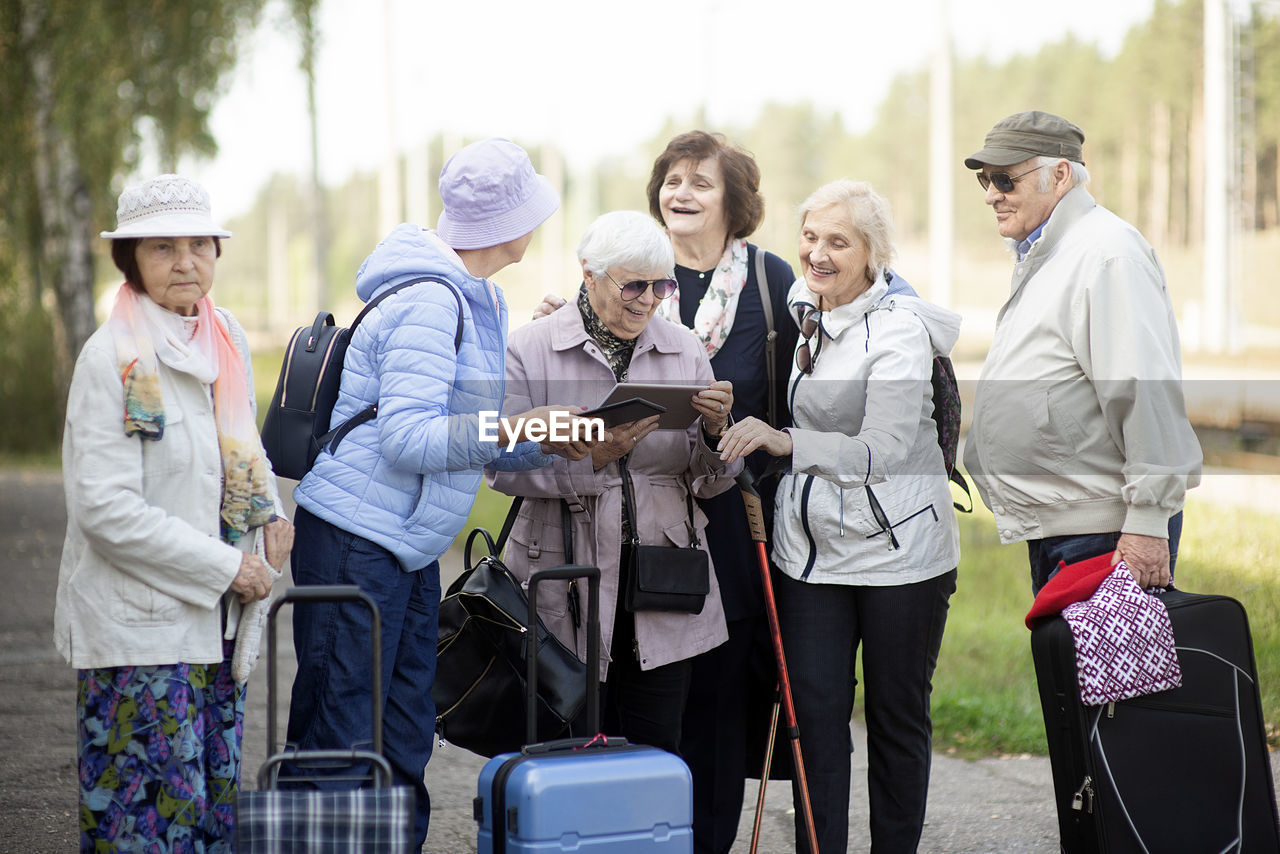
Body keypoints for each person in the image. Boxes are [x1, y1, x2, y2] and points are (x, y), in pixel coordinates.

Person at [285, 138, 598, 851]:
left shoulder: (478, 297)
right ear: (506, 221)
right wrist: (519, 423)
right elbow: (411, 438)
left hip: (408, 541)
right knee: (343, 736)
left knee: (402, 736)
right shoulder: (431, 300)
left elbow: (470, 436)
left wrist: (556, 437)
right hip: (357, 541)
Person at [719, 180, 961, 854]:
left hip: (901, 556)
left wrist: (785, 440)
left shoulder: (899, 332)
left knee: (895, 721)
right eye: (811, 237)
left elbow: (881, 450)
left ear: (872, 253)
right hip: (808, 555)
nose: (817, 254)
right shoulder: (801, 308)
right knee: (813, 725)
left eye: (838, 241)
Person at [55, 173, 294, 851]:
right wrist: (228, 567)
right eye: (162, 248)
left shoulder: (227, 341)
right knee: (144, 827)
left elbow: (237, 450)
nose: (186, 261)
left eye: (199, 244)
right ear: (131, 261)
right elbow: (105, 509)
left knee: (209, 821)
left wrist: (271, 514)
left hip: (218, 631)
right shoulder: (113, 359)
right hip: (142, 636)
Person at [487, 210, 742, 755]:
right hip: (562, 581)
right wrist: (591, 458)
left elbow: (708, 482)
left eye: (661, 286)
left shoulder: (685, 348)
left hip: (662, 581)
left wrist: (718, 436)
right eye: (633, 285)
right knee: (564, 751)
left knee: (655, 750)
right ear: (589, 274)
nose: (648, 300)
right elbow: (497, 462)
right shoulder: (529, 348)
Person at [959, 111, 1203, 595]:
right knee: (1068, 673)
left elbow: (1145, 396)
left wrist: (1148, 522)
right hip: (1070, 526)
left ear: (1061, 175)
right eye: (985, 180)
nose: (991, 194)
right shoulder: (1054, 251)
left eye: (1005, 179)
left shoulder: (1107, 253)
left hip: (1105, 532)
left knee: (1112, 674)